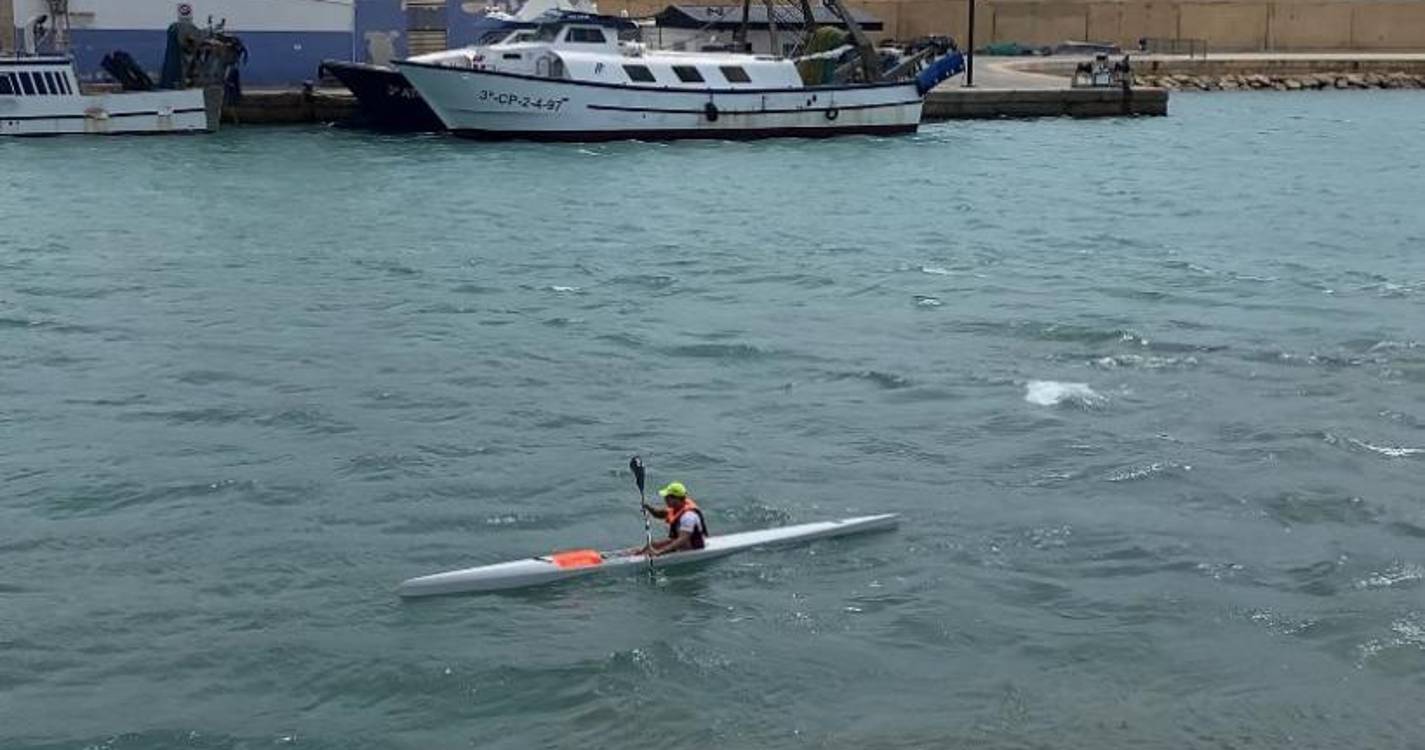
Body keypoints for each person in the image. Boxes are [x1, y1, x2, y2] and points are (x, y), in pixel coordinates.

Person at [636, 481, 708, 557]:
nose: (665, 499)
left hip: (692, 547)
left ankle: (637, 557)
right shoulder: (677, 507)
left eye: (667, 497)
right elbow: (659, 514)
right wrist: (649, 508)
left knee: (652, 548)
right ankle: (635, 555)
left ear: (675, 499)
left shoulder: (688, 516)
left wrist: (660, 552)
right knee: (652, 545)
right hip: (682, 543)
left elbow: (682, 539)